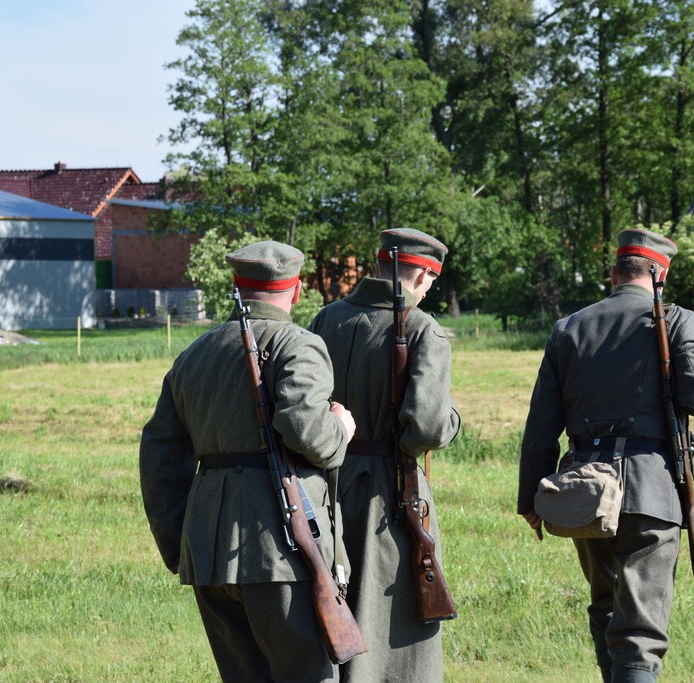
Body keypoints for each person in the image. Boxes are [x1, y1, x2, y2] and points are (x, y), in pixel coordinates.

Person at [139, 240, 357, 682]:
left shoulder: (194, 355)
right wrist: (342, 431)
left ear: (236, 286)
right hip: (280, 547)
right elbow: (305, 429)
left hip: (208, 552)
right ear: (296, 292)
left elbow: (159, 458)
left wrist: (180, 543)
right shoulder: (299, 344)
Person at [517, 228, 694, 683]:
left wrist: (528, 499)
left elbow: (540, 428)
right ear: (661, 275)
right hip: (652, 491)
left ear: (614, 274)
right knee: (639, 633)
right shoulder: (675, 319)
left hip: (584, 490)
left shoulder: (569, 327)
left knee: (606, 608)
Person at [308, 228, 461, 683]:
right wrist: (452, 419)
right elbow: (428, 427)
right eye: (430, 281)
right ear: (421, 275)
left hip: (324, 483)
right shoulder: (421, 327)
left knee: (331, 602)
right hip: (391, 492)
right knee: (388, 624)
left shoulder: (324, 319)